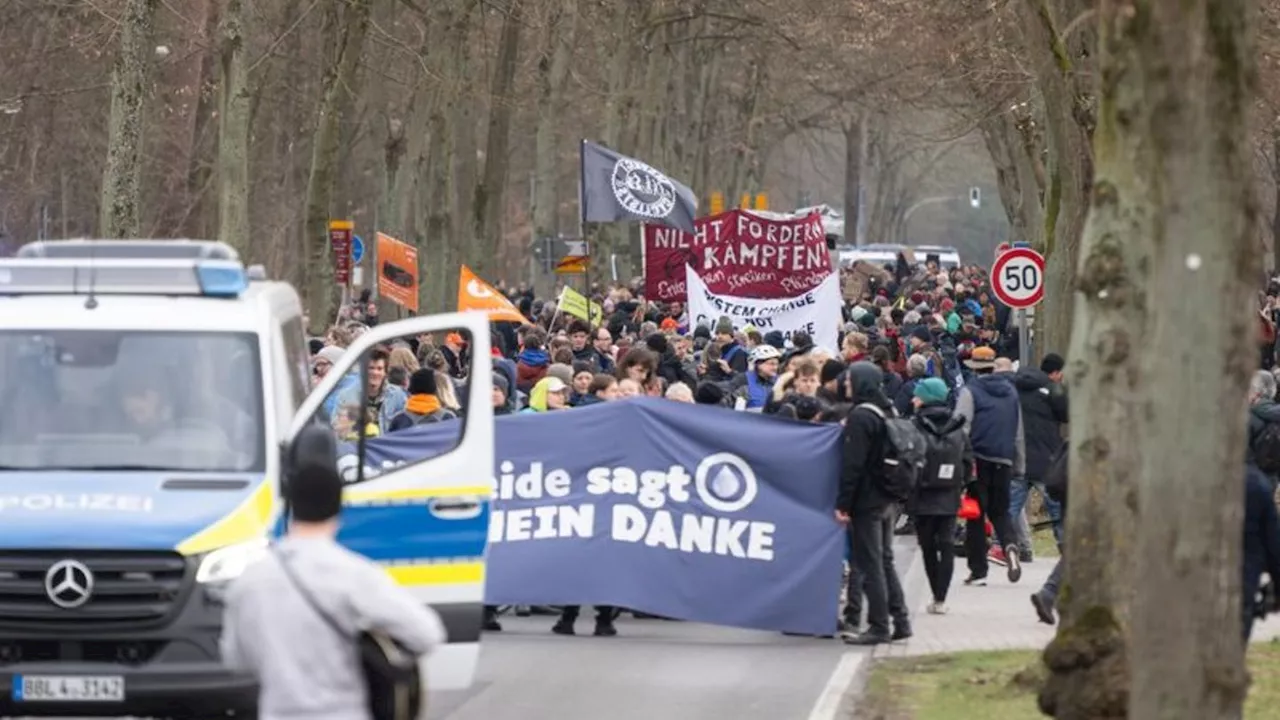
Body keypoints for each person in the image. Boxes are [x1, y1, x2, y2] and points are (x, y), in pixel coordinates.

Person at [220, 428, 446, 718]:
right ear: (338, 508)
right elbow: (427, 633)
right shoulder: (354, 575)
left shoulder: (249, 578)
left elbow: (236, 660)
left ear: (290, 505)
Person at [837, 361, 911, 645]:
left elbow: (852, 466)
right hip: (887, 497)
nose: (846, 387)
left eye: (849, 382)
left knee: (870, 564)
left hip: (867, 500)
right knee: (885, 560)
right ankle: (901, 619)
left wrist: (843, 504)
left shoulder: (861, 416)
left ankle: (879, 625)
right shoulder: (886, 409)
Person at [953, 345, 1025, 585]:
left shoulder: (970, 392)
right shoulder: (1012, 394)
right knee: (1001, 512)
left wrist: (959, 461)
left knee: (976, 514)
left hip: (977, 460)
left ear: (973, 367)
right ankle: (1011, 546)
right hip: (1003, 460)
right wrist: (1018, 463)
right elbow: (1018, 433)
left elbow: (961, 427)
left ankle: (978, 570)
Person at [909, 378, 971, 615]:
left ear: (925, 398)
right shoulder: (958, 427)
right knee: (946, 543)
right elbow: (967, 462)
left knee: (927, 546)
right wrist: (960, 484)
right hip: (949, 493)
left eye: (917, 395)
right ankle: (941, 597)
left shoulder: (915, 425)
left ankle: (935, 592)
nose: (913, 399)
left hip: (922, 494)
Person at [1011, 352, 1068, 561]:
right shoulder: (1053, 391)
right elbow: (1067, 414)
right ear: (1055, 373)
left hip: (1018, 457)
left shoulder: (1016, 387)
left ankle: (1005, 544)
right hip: (1046, 459)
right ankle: (1065, 548)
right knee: (1056, 509)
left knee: (1011, 506)